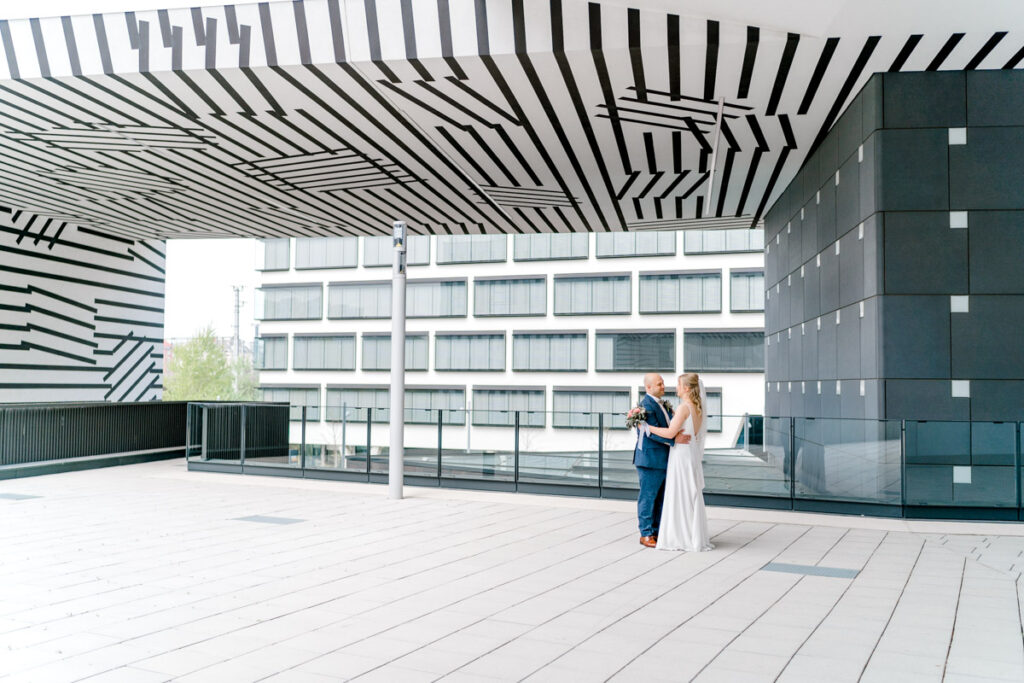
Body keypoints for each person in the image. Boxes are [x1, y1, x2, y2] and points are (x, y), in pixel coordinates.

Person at [644, 373, 714, 552]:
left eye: (678, 384)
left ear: (687, 388)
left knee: (680, 494)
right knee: (689, 493)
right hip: (689, 454)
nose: (675, 387)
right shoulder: (697, 408)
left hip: (681, 456)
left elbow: (669, 433)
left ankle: (680, 535)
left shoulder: (684, 407)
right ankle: (691, 533)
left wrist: (645, 426)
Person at [633, 373, 690, 548]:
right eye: (659, 384)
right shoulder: (646, 406)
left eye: (663, 383)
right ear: (648, 388)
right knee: (648, 497)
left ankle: (656, 531)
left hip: (664, 459)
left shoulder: (662, 404)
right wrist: (674, 440)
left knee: (661, 498)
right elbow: (650, 432)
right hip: (650, 460)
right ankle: (646, 533)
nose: (664, 386)